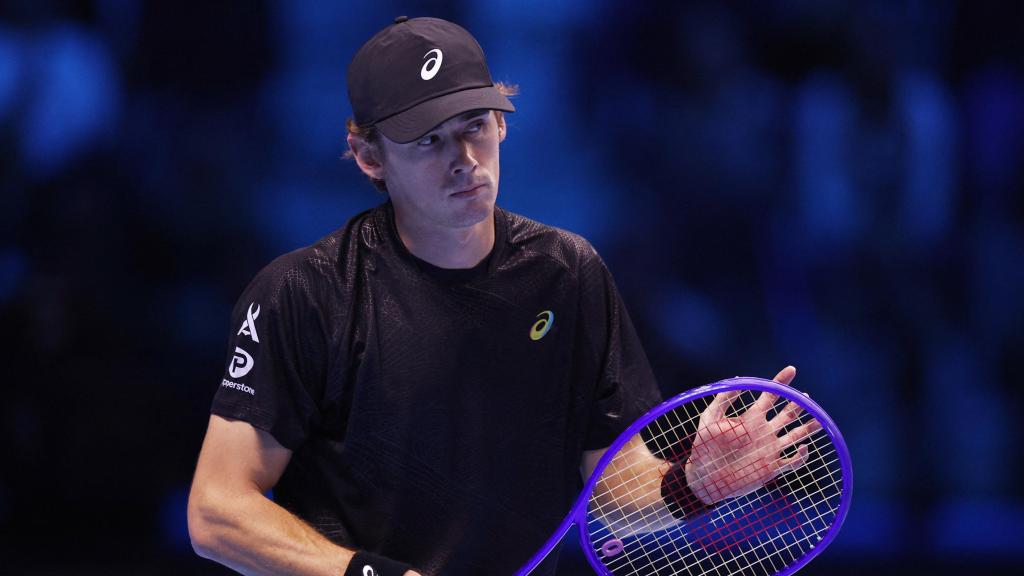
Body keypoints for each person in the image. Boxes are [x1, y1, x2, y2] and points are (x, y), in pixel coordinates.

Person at [186, 16, 812, 576]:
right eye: (427, 138)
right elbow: (217, 512)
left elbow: (611, 491)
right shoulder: (304, 292)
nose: (464, 159)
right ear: (367, 156)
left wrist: (691, 484)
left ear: (503, 124)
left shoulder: (569, 274)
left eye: (475, 126)